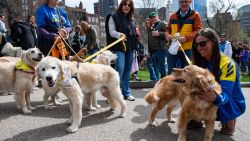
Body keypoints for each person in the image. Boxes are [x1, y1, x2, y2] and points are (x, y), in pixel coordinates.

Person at [192, 28, 246, 135]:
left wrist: (216, 98)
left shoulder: (227, 64)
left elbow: (226, 94)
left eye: (202, 43)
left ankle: (229, 118)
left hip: (228, 99)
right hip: (209, 94)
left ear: (213, 42)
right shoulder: (199, 61)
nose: (199, 48)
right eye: (196, 45)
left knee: (222, 97)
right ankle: (196, 118)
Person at [105, 0, 137, 101]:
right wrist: (119, 35)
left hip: (130, 48)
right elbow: (111, 32)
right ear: (121, 5)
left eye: (129, 5)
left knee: (127, 70)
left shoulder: (131, 19)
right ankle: (113, 94)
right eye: (125, 4)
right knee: (119, 69)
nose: (127, 6)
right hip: (118, 48)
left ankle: (126, 93)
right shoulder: (113, 16)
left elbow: (132, 34)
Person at [165, 0, 202, 74]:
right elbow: (168, 29)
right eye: (182, 2)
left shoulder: (195, 15)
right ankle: (171, 86)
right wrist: (167, 35)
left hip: (188, 49)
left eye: (186, 1)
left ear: (190, 2)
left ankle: (186, 86)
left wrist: (186, 38)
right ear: (179, 3)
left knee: (188, 73)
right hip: (173, 48)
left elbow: (198, 31)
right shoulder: (173, 16)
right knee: (171, 72)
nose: (184, 3)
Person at [148, 12, 168, 80]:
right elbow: (150, 39)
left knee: (161, 66)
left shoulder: (162, 23)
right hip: (154, 50)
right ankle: (157, 81)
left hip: (161, 49)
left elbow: (168, 33)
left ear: (157, 16)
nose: (153, 18)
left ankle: (165, 81)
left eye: (154, 17)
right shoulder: (153, 26)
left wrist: (159, 34)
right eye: (151, 18)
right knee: (156, 66)